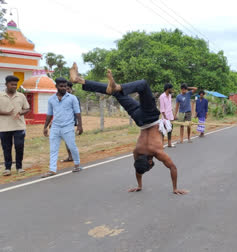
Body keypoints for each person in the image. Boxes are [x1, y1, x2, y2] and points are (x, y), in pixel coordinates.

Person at [69, 63, 187, 194]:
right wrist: (139, 185)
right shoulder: (137, 152)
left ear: (149, 161)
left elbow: (173, 168)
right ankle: (80, 81)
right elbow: (138, 169)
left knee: (143, 85)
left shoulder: (157, 153)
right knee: (116, 93)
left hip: (150, 117)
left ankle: (116, 86)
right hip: (139, 119)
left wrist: (175, 188)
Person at [42, 77, 83, 177]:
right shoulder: (51, 99)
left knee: (72, 146)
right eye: (61, 86)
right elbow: (49, 114)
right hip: (55, 127)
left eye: (65, 86)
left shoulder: (72, 98)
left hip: (68, 127)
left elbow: (77, 112)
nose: (64, 88)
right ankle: (52, 170)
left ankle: (77, 164)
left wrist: (80, 126)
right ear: (56, 86)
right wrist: (45, 127)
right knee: (53, 148)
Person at [0, 75, 30, 176]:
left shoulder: (21, 96)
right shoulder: (0, 96)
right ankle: (7, 168)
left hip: (19, 127)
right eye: (12, 84)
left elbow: (27, 108)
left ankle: (19, 167)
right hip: (4, 127)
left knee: (19, 146)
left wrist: (20, 113)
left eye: (15, 85)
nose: (14, 86)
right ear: (6, 84)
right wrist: (6, 113)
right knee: (6, 148)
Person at [60, 82, 82, 162]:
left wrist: (79, 125)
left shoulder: (74, 98)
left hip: (71, 122)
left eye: (68, 89)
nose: (67, 90)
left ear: (71, 90)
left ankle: (73, 157)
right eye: (66, 89)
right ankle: (70, 156)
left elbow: (78, 112)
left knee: (69, 140)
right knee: (67, 140)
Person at [159, 83, 175, 148]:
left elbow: (170, 106)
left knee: (170, 129)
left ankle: (169, 143)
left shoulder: (170, 96)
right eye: (171, 88)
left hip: (170, 115)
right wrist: (165, 117)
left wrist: (172, 115)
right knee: (163, 130)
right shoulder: (162, 96)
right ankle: (161, 144)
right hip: (165, 116)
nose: (171, 90)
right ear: (168, 89)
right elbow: (162, 108)